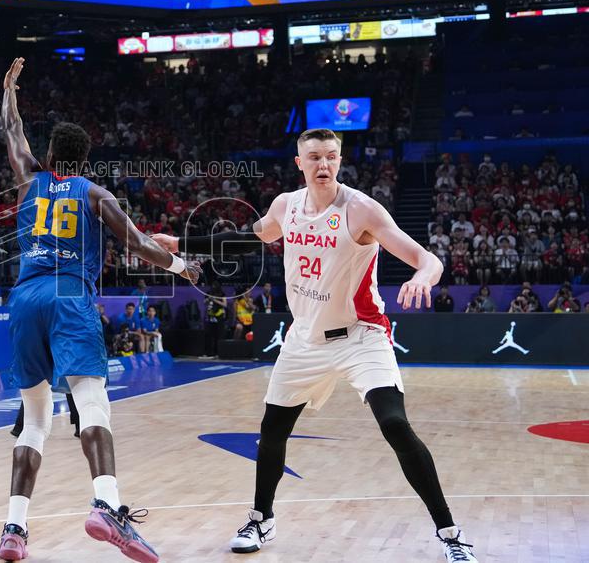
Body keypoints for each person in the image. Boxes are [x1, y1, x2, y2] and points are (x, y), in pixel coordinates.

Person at [152, 128, 478, 562]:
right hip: (304, 340)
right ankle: (260, 518)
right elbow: (250, 237)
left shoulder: (360, 209)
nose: (323, 165)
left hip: (361, 335)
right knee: (272, 431)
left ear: (339, 160)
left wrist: (422, 277)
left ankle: (450, 534)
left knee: (396, 425)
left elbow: (427, 258)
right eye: (315, 158)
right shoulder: (286, 206)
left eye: (331, 157)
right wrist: (181, 244)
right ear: (299, 163)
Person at [0, 58, 198, 562]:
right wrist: (179, 265)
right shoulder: (95, 193)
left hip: (23, 299)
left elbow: (12, 129)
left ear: (48, 155)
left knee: (36, 421)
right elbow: (136, 247)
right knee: (93, 405)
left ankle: (14, 530)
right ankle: (106, 505)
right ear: (85, 159)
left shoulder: (27, 179)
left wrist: (9, 91)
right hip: (67, 296)